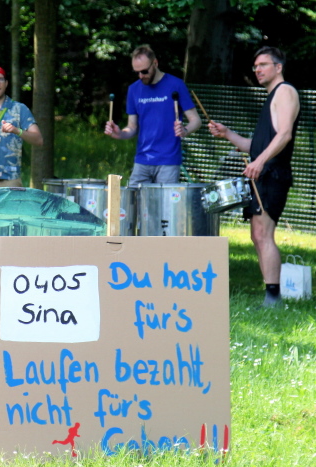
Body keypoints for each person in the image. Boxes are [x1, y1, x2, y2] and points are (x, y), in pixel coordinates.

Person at [208, 46, 300, 307]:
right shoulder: (271, 97)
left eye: (263, 65)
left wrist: (259, 162)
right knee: (257, 235)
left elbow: (284, 135)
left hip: (273, 174)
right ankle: (270, 295)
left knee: (263, 234)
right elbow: (256, 146)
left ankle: (273, 298)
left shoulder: (285, 92)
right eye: (255, 66)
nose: (257, 70)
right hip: (263, 172)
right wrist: (228, 134)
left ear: (278, 67)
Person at [104, 45, 201, 187]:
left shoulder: (176, 85)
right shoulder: (134, 89)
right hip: (142, 160)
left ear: (155, 63)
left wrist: (184, 130)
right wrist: (120, 133)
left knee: (164, 202)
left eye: (144, 71)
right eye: (137, 72)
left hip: (168, 161)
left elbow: (196, 120)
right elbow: (132, 127)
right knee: (133, 199)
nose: (141, 76)